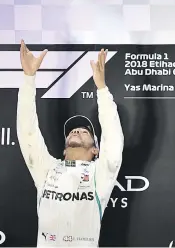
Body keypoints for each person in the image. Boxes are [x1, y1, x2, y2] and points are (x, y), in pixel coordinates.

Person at [17, 40, 124, 247]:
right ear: (64, 150)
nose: (76, 131)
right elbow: (27, 132)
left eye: (85, 131)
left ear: (95, 149)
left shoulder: (100, 174)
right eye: (73, 131)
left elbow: (112, 137)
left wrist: (101, 89)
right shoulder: (47, 169)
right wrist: (29, 79)